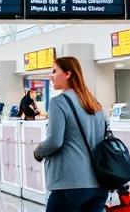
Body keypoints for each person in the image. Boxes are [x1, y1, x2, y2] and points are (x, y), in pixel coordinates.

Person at [33, 57, 108, 211]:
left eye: (54, 71)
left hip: (70, 183)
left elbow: (54, 141)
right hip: (100, 184)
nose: (51, 76)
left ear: (68, 74)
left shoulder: (59, 102)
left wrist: (38, 151)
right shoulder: (94, 104)